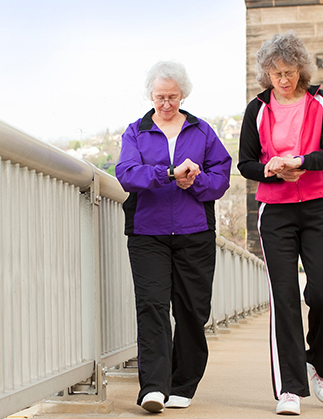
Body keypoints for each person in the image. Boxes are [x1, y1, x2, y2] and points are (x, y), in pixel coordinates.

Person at [238, 32, 323, 416]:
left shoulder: (320, 101)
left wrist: (301, 162)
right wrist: (270, 170)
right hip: (276, 213)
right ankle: (290, 389)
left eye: (288, 71)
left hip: (318, 206)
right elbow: (246, 163)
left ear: (301, 68)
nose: (282, 79)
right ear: (265, 73)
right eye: (274, 73)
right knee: (284, 299)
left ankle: (321, 364)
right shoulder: (257, 108)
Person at [116, 60, 232, 413]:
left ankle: (183, 383)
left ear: (183, 95)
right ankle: (153, 387)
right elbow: (126, 173)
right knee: (152, 306)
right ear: (150, 96)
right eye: (159, 97)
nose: (166, 104)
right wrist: (168, 173)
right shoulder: (136, 131)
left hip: (193, 232)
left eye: (172, 97)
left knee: (192, 310)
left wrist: (195, 180)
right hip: (147, 233)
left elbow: (222, 176)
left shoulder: (202, 132)